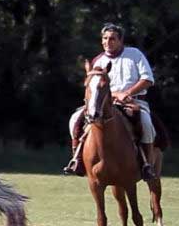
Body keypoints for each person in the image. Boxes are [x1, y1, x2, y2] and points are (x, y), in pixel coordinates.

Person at [63, 23, 157, 181]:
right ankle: (77, 159)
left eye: (112, 38)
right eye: (105, 38)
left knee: (146, 123)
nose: (108, 42)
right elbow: (92, 85)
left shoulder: (134, 54)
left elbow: (147, 79)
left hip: (133, 101)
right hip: (104, 103)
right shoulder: (98, 60)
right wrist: (108, 96)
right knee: (74, 119)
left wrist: (127, 93)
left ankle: (147, 165)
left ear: (121, 40)